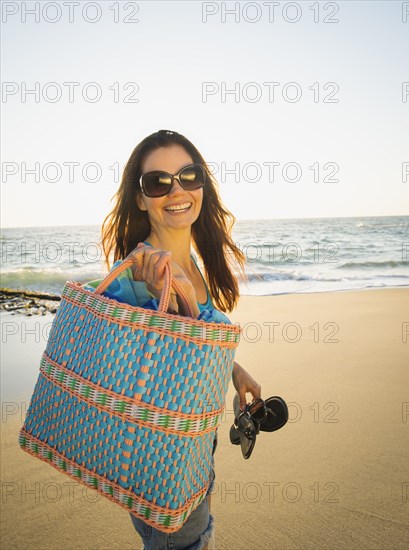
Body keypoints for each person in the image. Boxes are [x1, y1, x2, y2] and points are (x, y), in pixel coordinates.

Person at [98, 129, 262, 550]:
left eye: (188, 176)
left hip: (192, 441)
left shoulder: (189, 260)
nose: (177, 190)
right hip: (159, 453)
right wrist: (160, 303)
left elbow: (193, 350)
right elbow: (111, 364)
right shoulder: (139, 271)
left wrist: (233, 370)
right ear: (139, 198)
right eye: (158, 182)